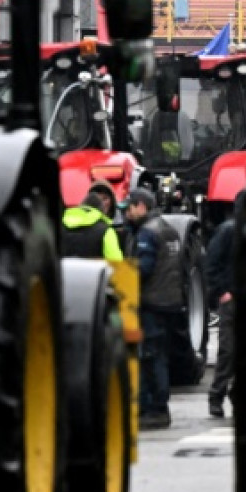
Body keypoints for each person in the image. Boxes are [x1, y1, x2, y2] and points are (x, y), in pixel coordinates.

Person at [123, 188, 184, 430]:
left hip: (151, 303)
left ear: (142, 206)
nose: (127, 213)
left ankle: (156, 409)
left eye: (130, 207)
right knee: (159, 355)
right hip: (169, 302)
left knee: (150, 357)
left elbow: (144, 268)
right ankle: (156, 407)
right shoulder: (167, 229)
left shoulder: (147, 233)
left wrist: (122, 279)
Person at [205, 208, 236, 418]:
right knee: (228, 351)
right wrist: (222, 292)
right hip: (233, 299)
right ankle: (217, 396)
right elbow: (212, 264)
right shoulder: (228, 231)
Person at [60, 184, 123, 261]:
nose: (103, 202)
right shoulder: (106, 231)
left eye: (105, 198)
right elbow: (117, 265)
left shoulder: (61, 226)